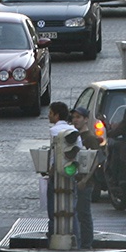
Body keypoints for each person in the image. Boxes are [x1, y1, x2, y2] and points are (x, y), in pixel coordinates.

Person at [69, 107, 99, 249]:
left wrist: (85, 180)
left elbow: (96, 160)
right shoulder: (73, 137)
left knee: (84, 214)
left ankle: (87, 244)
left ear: (86, 119)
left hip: (85, 183)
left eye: (78, 117)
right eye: (74, 117)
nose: (75, 120)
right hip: (74, 181)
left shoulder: (90, 138)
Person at [46, 101, 77, 236]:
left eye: (50, 113)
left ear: (57, 115)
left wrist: (50, 170)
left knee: (53, 205)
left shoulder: (54, 131)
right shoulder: (74, 131)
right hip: (71, 170)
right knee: (71, 203)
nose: (48, 116)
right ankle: (73, 233)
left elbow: (54, 153)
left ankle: (54, 232)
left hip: (57, 172)